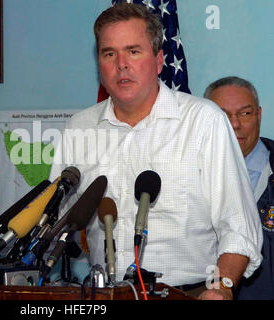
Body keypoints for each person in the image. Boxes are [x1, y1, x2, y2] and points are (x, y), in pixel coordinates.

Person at [49, 3, 263, 300]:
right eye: (109, 53)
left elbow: (239, 225)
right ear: (99, 63)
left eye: (133, 51)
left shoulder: (203, 121)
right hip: (104, 296)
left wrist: (222, 288)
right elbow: (57, 226)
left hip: (189, 293)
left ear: (160, 60)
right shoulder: (79, 128)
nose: (121, 64)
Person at [204, 76, 274, 299]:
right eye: (223, 116)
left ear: (259, 115)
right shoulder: (188, 176)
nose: (235, 124)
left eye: (245, 113)